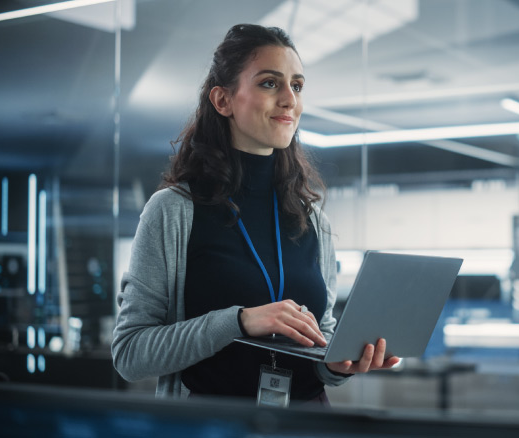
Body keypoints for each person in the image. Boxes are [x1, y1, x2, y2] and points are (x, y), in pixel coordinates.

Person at [111, 24, 399, 404]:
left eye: (296, 86)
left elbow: (321, 338)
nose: (289, 101)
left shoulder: (313, 220)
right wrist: (240, 321)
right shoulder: (174, 211)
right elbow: (130, 354)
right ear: (223, 100)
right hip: (211, 427)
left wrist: (336, 364)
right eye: (269, 83)